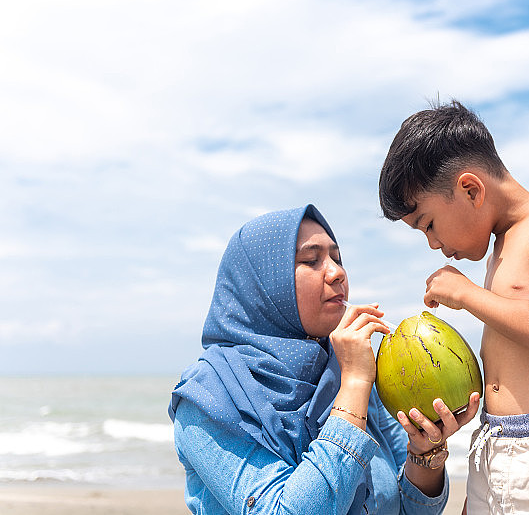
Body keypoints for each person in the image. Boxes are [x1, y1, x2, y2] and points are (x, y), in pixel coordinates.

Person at [378, 101, 529, 514]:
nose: (433, 244)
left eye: (428, 224)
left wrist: (465, 293)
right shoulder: (499, 251)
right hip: (497, 447)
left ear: (471, 189)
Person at [168, 204, 480, 515]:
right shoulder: (207, 397)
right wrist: (354, 384)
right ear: (262, 285)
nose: (337, 273)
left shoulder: (348, 368)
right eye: (310, 260)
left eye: (337, 259)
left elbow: (411, 511)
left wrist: (424, 453)